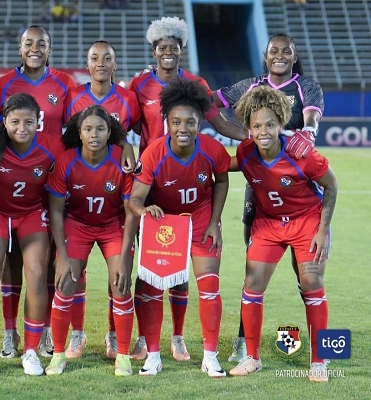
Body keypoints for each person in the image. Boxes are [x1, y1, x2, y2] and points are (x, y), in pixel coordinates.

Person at [127, 15, 245, 363]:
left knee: (180, 275)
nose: (168, 51)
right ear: (153, 50)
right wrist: (126, 150)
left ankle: (177, 338)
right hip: (152, 181)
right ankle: (144, 340)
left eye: (174, 47)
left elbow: (220, 123)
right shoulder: (139, 85)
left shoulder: (196, 84)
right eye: (162, 46)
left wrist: (251, 137)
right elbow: (126, 123)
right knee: (150, 269)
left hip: (190, 176)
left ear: (181, 50)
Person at [212, 33, 325, 362]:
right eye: (273, 51)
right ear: (265, 56)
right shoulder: (250, 84)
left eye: (285, 51)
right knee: (253, 268)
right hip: (259, 187)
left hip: (298, 187)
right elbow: (210, 103)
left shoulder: (306, 86)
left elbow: (312, 117)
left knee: (306, 275)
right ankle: (244, 342)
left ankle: (321, 341)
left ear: (293, 55)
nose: (279, 55)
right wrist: (244, 134)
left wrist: (308, 132)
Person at [228, 85, 337, 382]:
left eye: (270, 125)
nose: (264, 131)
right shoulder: (246, 153)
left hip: (307, 222)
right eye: (257, 126)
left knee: (312, 282)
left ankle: (319, 361)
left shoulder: (302, 154)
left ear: (281, 124)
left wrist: (323, 230)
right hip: (269, 224)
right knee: (251, 285)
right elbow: (223, 165)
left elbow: (332, 186)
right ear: (249, 129)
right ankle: (252, 357)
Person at [127, 76, 230, 378]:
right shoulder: (154, 153)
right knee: (152, 288)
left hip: (200, 219)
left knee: (209, 286)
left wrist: (214, 222)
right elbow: (134, 199)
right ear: (167, 123)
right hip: (165, 222)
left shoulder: (213, 150)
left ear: (200, 123)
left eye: (191, 122)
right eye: (176, 122)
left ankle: (210, 357)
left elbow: (221, 180)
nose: (183, 129)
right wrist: (144, 209)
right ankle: (154, 356)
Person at [0, 25, 77, 360]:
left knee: (48, 263)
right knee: (10, 265)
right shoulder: (3, 85)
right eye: (29, 43)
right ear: (20, 48)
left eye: (41, 43)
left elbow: (75, 133)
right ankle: (10, 333)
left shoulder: (64, 84)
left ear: (50, 48)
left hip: (51, 185)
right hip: (13, 185)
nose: (35, 48)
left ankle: (43, 333)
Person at [0, 93, 66, 376]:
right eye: (14, 122)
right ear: (4, 121)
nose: (21, 128)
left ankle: (30, 351)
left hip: (31, 214)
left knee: (37, 276)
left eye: (28, 121)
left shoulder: (52, 146)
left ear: (38, 122)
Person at [63, 40, 141, 359]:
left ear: (115, 63)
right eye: (94, 58)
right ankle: (77, 336)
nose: (100, 63)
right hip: (79, 198)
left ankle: (113, 336)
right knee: (74, 274)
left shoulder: (128, 99)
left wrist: (130, 149)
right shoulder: (73, 98)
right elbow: (67, 139)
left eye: (107, 58)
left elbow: (133, 135)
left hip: (115, 201)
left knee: (118, 275)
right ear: (86, 62)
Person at [45, 105, 136, 376]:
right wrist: (61, 255)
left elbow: (131, 212)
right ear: (79, 133)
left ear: (110, 132)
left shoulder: (121, 160)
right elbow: (56, 211)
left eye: (100, 129)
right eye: (88, 129)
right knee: (65, 282)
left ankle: (122, 355)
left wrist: (124, 255)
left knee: (120, 283)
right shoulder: (66, 161)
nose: (94, 134)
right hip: (78, 224)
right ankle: (58, 354)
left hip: (113, 225)